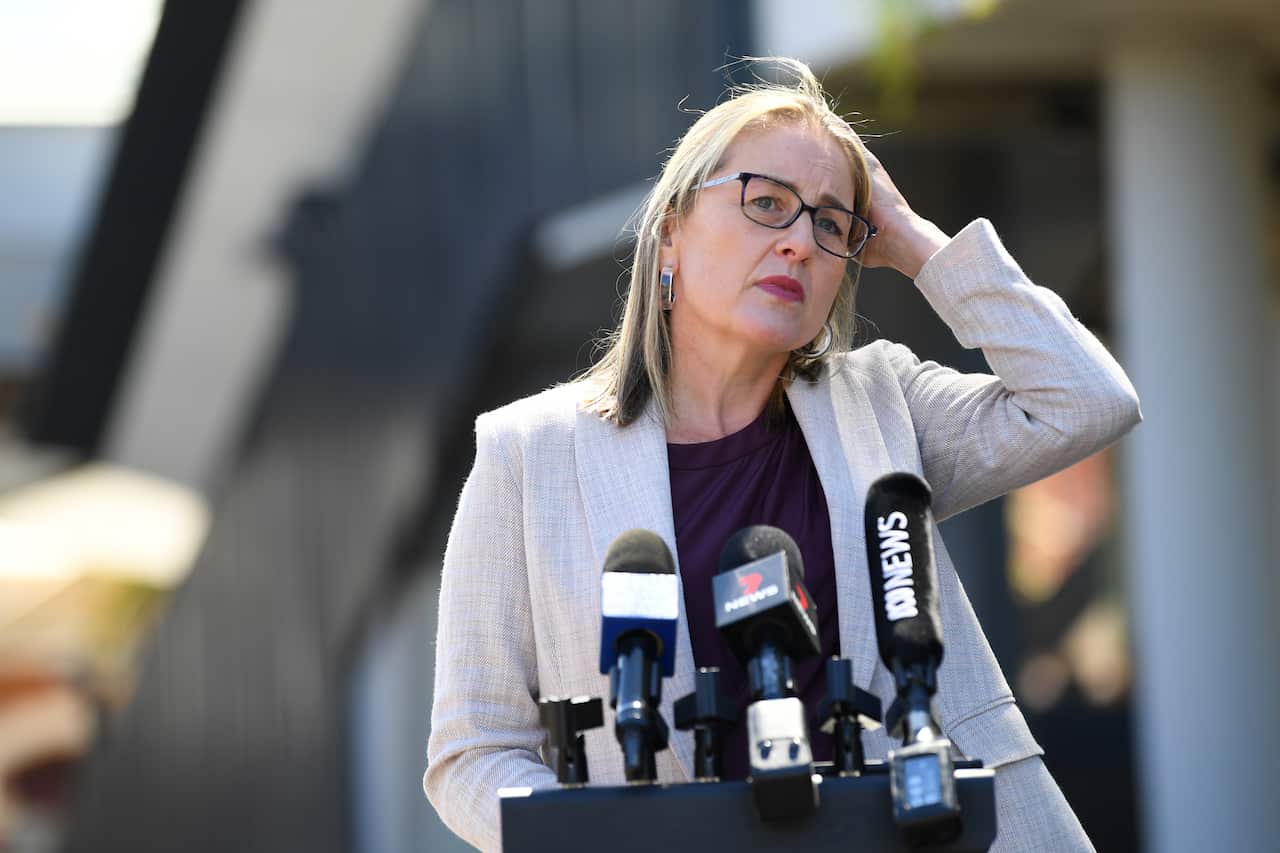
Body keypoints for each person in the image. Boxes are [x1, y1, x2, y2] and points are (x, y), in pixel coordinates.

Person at [424, 57, 1139, 852]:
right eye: (768, 204)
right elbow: (475, 751)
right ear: (671, 236)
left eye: (832, 224)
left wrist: (911, 240)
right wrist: (595, 838)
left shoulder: (881, 406)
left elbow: (1088, 400)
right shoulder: (530, 456)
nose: (800, 241)